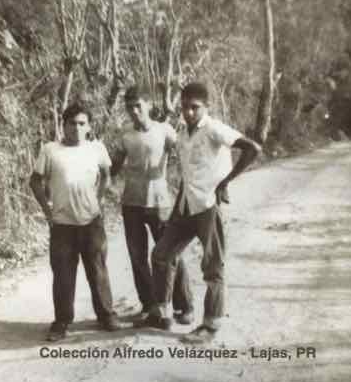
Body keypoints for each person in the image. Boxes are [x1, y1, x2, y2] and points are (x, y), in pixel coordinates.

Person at [139, 82, 261, 343]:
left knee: (213, 266)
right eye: (185, 107)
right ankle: (163, 312)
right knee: (161, 254)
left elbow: (252, 149)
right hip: (186, 206)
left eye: (195, 107)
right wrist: (179, 203)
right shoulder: (183, 133)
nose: (189, 112)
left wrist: (226, 182)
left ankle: (210, 326)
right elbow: (187, 172)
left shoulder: (214, 129)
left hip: (208, 206)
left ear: (206, 107)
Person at [29, 101, 125, 342]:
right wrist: (47, 211)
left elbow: (106, 176)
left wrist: (100, 200)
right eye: (72, 123)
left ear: (89, 126)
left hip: (91, 221)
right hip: (62, 224)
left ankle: (106, 315)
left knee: (98, 270)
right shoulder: (50, 150)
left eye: (82, 123)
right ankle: (61, 322)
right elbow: (35, 181)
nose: (77, 128)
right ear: (64, 125)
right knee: (63, 275)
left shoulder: (97, 149)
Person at [111, 86, 194, 323]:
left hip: (160, 203)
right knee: (137, 257)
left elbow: (185, 155)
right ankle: (149, 305)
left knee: (169, 255)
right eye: (129, 107)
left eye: (138, 105)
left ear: (148, 104)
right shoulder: (125, 134)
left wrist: (189, 188)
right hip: (131, 204)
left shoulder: (165, 130)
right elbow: (114, 167)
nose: (134, 111)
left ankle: (184, 306)